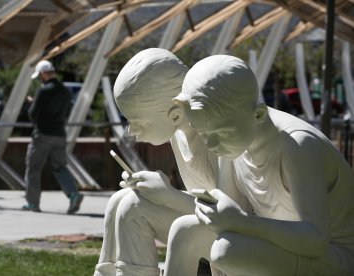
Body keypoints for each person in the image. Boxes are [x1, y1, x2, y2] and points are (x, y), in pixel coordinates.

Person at [162, 55, 354, 275]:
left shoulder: (297, 145)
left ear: (259, 115)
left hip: (334, 257)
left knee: (227, 251)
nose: (211, 144)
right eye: (203, 133)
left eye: (221, 133)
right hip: (286, 247)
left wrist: (241, 222)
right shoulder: (234, 142)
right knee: (185, 230)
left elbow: (316, 240)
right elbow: (231, 218)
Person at [94, 49, 248, 276]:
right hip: (210, 229)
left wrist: (168, 195)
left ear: (175, 115)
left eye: (137, 121)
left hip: (236, 242)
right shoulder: (179, 133)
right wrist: (156, 191)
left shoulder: (217, 137)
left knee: (133, 206)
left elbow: (232, 219)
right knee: (122, 198)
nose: (130, 130)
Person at [22, 60, 83, 214]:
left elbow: (33, 114)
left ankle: (32, 203)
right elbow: (65, 112)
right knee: (60, 167)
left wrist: (33, 103)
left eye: (39, 76)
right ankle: (73, 194)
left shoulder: (43, 91)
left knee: (33, 169)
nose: (39, 79)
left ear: (43, 74)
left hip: (42, 135)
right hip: (59, 135)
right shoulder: (64, 91)